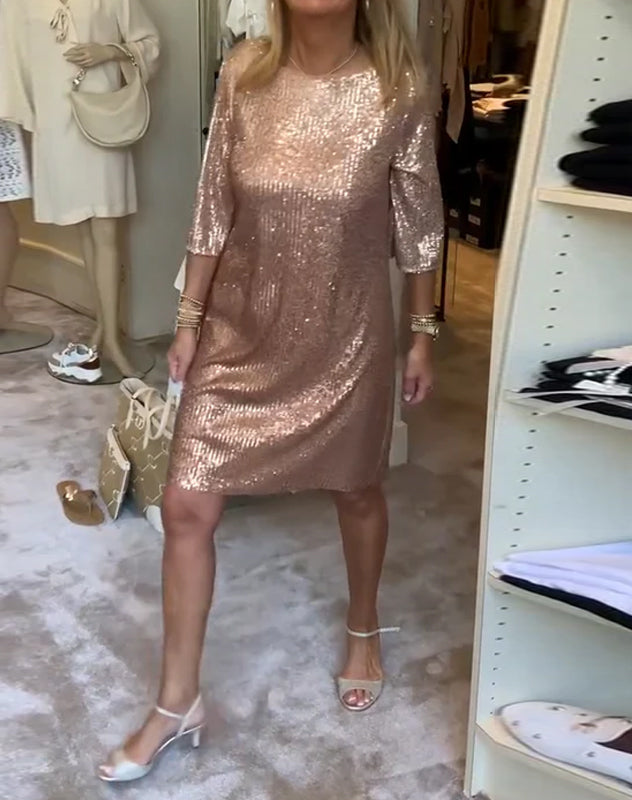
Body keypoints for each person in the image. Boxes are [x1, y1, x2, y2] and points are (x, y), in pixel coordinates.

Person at [99, 0, 443, 783]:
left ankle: (363, 626)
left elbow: (420, 222)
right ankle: (176, 701)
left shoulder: (396, 84)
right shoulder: (245, 73)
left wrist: (423, 332)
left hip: (344, 334)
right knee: (186, 504)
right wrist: (189, 320)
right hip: (237, 329)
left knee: (356, 489)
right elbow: (212, 204)